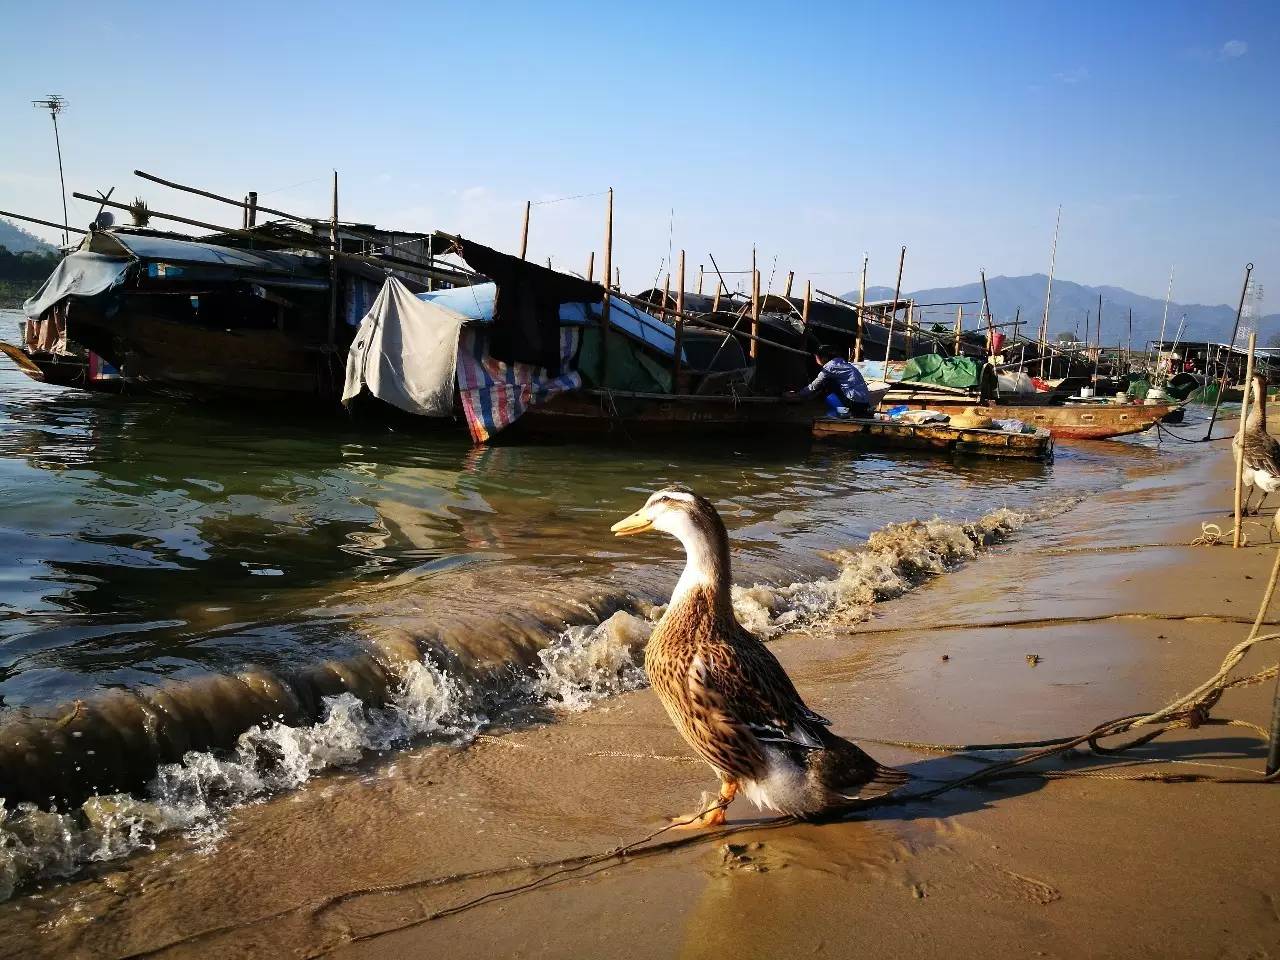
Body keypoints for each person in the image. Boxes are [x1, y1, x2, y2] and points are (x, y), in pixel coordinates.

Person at [784, 345, 872, 416]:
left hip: (854, 402)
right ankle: (849, 411)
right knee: (828, 382)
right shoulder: (843, 363)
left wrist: (797, 394)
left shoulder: (830, 367)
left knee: (827, 383)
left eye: (816, 357)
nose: (816, 360)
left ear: (824, 358)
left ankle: (843, 413)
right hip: (865, 403)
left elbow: (814, 385)